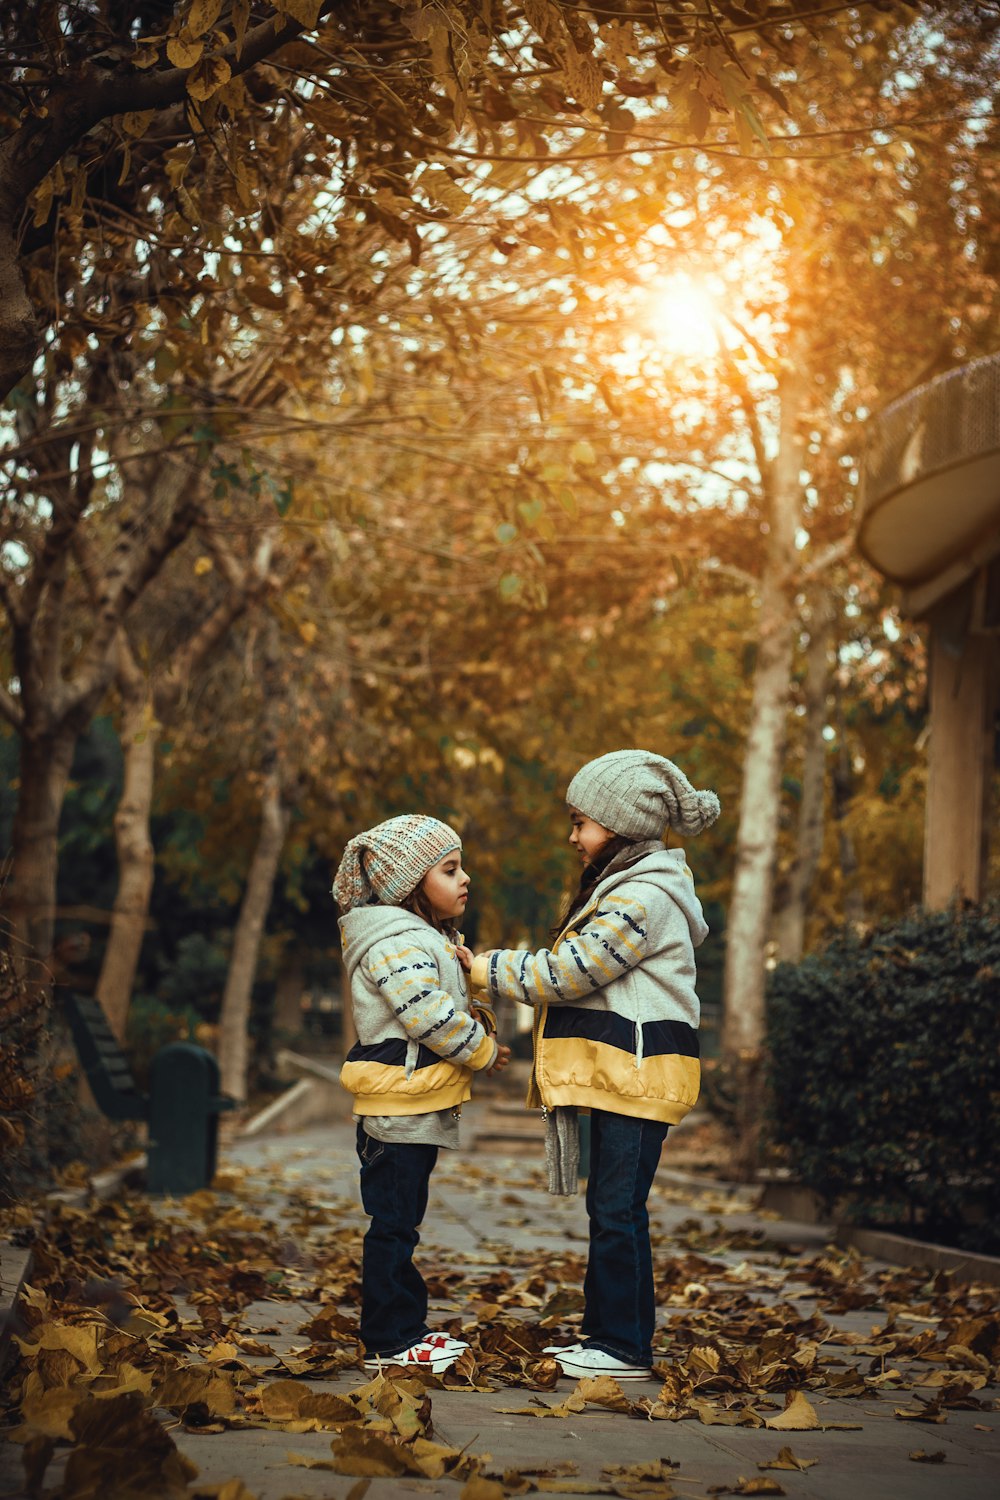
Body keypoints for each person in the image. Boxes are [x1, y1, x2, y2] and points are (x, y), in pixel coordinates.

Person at [468, 750, 720, 1382]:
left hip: (639, 1075)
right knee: (612, 1209)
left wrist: (485, 968)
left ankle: (624, 1347)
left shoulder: (644, 898)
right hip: (622, 1075)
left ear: (619, 824)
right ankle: (607, 1337)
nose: (573, 836)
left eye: (581, 822)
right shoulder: (629, 889)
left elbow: (572, 971)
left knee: (616, 1210)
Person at [334, 814, 511, 1375]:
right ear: (410, 884)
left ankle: (403, 1332)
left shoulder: (425, 940)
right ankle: (389, 1341)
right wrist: (480, 1050)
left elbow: (443, 1002)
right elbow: (425, 1013)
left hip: (413, 1103)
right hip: (397, 1108)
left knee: (401, 1222)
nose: (466, 879)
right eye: (450, 869)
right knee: (392, 1226)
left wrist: (469, 980)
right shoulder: (397, 941)